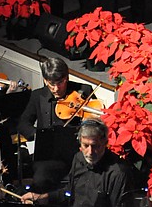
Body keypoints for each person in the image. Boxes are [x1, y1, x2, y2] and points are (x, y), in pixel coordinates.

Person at [17, 57, 95, 192]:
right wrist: (37, 136)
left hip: (78, 153)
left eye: (60, 82)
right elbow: (23, 123)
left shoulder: (83, 91)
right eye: (51, 84)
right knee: (40, 179)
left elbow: (95, 121)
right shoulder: (38, 96)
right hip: (49, 156)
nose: (56, 88)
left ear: (67, 77)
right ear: (45, 80)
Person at [21, 118, 133, 207]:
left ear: (105, 142)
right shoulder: (78, 159)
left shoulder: (118, 173)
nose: (90, 152)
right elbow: (69, 192)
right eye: (86, 145)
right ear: (79, 143)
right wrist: (42, 197)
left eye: (95, 146)